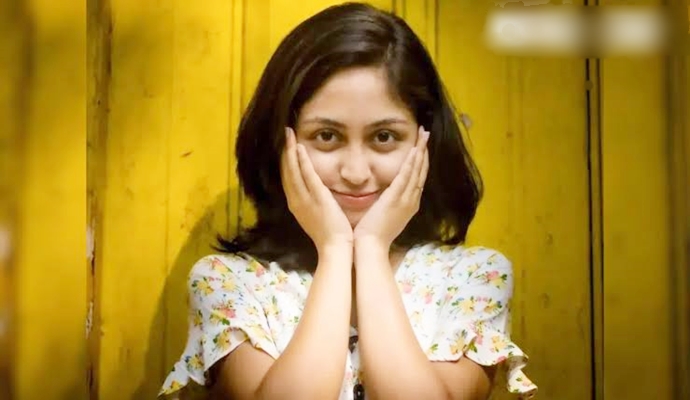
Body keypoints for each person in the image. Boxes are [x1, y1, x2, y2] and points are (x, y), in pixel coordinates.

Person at [159, 2, 537, 399]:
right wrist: (335, 249)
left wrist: (371, 248)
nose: (356, 173)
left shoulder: (473, 279)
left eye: (384, 137)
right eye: (327, 136)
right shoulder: (230, 283)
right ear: (279, 142)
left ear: (425, 142)